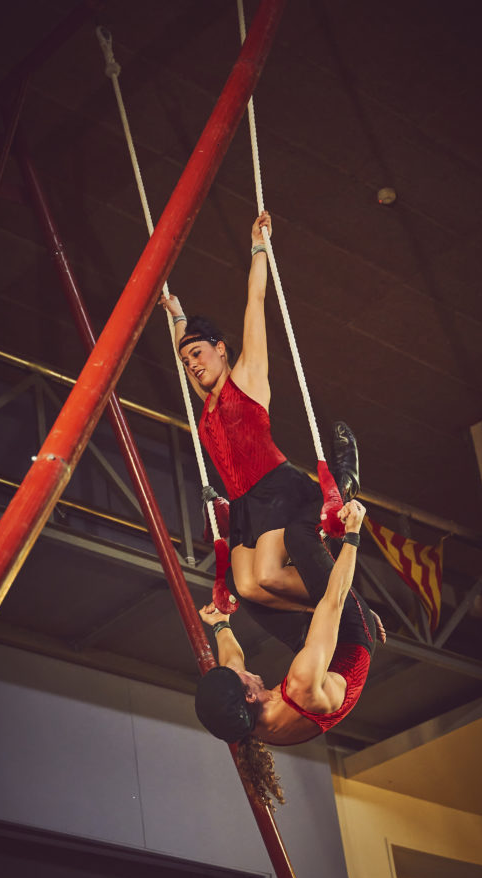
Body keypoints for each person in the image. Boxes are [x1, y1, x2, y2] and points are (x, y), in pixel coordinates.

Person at [160, 211, 358, 611]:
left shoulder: (247, 376)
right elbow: (183, 344)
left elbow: (255, 300)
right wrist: (176, 314)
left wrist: (258, 247)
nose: (192, 364)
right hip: (243, 505)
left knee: (268, 575)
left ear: (220, 348)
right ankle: (323, 612)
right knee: (248, 588)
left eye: (198, 354)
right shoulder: (208, 402)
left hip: (275, 487)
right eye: (186, 361)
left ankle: (349, 605)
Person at [195, 498, 384, 757]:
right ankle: (340, 486)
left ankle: (242, 516)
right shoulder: (301, 687)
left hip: (316, 648)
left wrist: (220, 624)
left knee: (237, 583)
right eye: (239, 676)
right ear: (249, 696)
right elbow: (333, 601)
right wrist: (353, 533)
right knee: (298, 534)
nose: (240, 670)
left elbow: (232, 665)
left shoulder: (244, 719)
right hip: (351, 632)